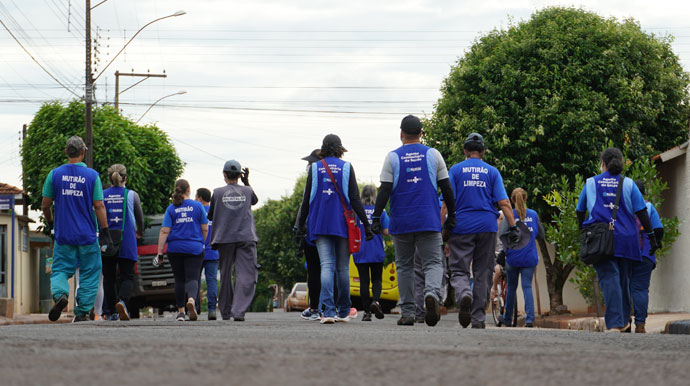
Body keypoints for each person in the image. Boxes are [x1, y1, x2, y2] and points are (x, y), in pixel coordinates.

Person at [372, 115, 456, 327]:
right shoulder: (433, 155)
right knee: (433, 263)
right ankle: (432, 294)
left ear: (401, 134)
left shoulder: (392, 157)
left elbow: (384, 190)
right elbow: (446, 187)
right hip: (429, 219)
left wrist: (376, 216)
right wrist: (452, 214)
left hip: (401, 222)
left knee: (404, 266)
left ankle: (408, 312)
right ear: (421, 134)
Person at [576, 148, 658, 332]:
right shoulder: (629, 184)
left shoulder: (590, 183)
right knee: (622, 279)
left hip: (601, 238)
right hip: (627, 239)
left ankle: (616, 322)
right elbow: (641, 212)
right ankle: (624, 320)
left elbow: (580, 209)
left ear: (602, 164)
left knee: (609, 277)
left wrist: (582, 229)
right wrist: (651, 237)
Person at [296, 134, 373, 324]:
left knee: (327, 266)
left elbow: (306, 200)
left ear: (323, 148)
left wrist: (299, 226)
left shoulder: (314, 168)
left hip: (320, 223)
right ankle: (344, 310)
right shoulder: (347, 167)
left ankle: (328, 311)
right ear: (340, 148)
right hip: (343, 224)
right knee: (342, 268)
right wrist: (367, 225)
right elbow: (355, 198)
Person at [446, 133, 520, 329]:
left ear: (465, 151)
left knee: (459, 268)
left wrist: (442, 229)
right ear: (483, 152)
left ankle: (464, 294)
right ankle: (478, 318)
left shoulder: (455, 170)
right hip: (487, 226)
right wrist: (513, 227)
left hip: (461, 226)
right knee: (483, 272)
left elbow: (445, 203)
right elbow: (504, 202)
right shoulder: (492, 172)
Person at [41, 136, 113, 322]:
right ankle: (82, 312)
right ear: (82, 152)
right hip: (87, 235)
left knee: (60, 270)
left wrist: (51, 223)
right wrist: (105, 231)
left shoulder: (54, 174)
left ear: (66, 152)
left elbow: (45, 205)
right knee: (90, 272)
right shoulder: (92, 176)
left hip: (64, 235)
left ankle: (61, 295)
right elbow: (99, 206)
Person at [207, 160, 259, 322]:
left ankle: (226, 311)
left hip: (224, 238)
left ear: (224, 174)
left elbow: (210, 216)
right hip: (246, 237)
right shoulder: (247, 191)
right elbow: (255, 201)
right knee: (246, 274)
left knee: (226, 274)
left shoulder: (217, 193)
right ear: (239, 175)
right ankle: (239, 311)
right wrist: (247, 182)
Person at [156, 179, 208, 322]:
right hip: (194, 248)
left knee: (179, 279)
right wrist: (201, 242)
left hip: (175, 248)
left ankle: (180, 313)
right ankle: (191, 299)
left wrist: (159, 252)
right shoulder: (198, 206)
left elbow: (164, 231)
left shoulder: (171, 208)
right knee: (192, 278)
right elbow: (205, 228)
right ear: (188, 190)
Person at [102, 164, 144, 321]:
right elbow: (140, 219)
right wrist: (139, 232)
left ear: (109, 178)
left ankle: (112, 311)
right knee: (127, 276)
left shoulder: (102, 195)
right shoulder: (132, 195)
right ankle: (123, 304)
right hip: (127, 239)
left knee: (109, 277)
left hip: (107, 240)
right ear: (125, 177)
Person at [497, 188, 543, 328]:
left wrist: (506, 250)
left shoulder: (509, 215)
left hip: (513, 257)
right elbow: (541, 235)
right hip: (529, 257)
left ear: (512, 200)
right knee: (527, 286)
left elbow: (502, 235)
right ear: (526, 198)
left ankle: (507, 318)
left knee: (511, 288)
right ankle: (529, 320)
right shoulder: (533, 215)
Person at [630, 180, 664, 333]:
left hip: (624, 253)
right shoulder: (649, 207)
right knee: (640, 289)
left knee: (623, 287)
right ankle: (640, 325)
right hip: (645, 254)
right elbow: (658, 230)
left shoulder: (622, 207)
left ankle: (623, 322)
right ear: (643, 193)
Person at [353, 185, 389, 321]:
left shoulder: (357, 212)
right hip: (376, 251)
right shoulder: (380, 212)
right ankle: (376, 301)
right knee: (377, 280)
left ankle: (367, 312)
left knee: (363, 282)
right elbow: (387, 231)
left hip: (360, 251)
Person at [295, 149, 324, 321]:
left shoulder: (312, 180)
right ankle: (330, 306)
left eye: (310, 162)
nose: (307, 166)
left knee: (314, 270)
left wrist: (299, 226)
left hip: (312, 230)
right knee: (329, 268)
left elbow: (304, 205)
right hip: (332, 229)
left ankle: (315, 308)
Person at [195, 187, 219, 321]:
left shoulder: (197, 211)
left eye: (195, 196)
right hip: (213, 251)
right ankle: (211, 310)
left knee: (194, 280)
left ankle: (195, 307)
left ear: (200, 198)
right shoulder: (215, 212)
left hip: (197, 250)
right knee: (212, 281)